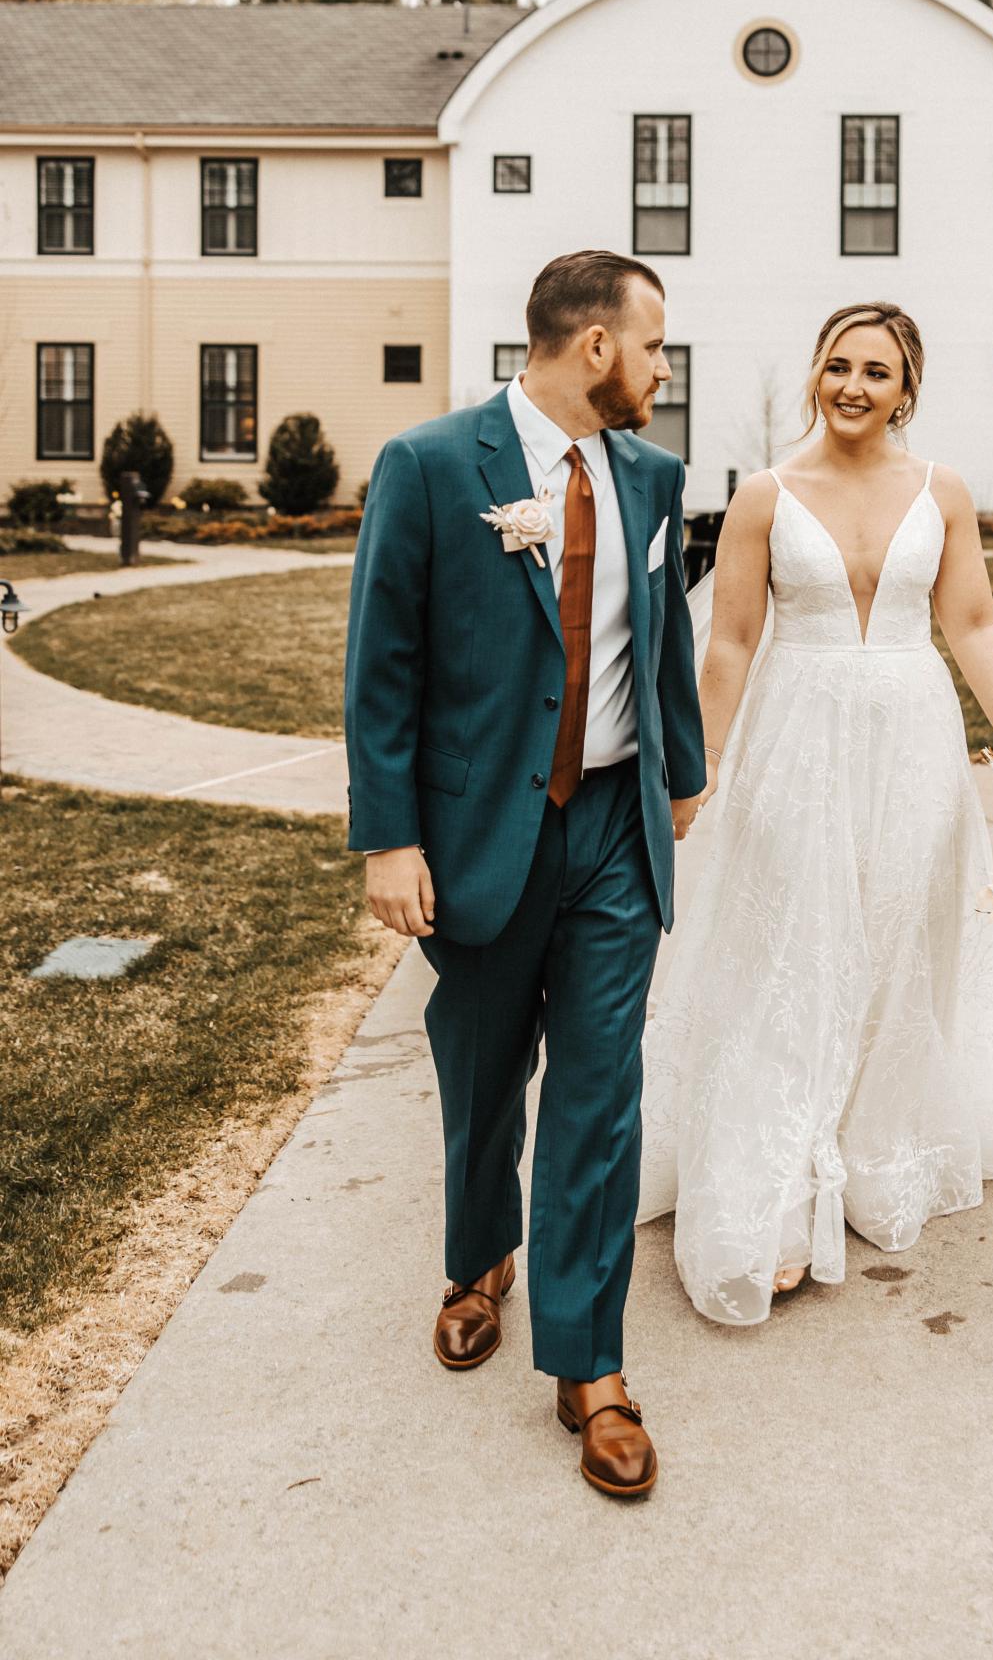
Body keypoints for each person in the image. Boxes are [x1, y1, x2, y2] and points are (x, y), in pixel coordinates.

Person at [344, 249, 706, 1498]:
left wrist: (684, 772)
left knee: (602, 1093)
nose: (665, 369)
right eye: (655, 346)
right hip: (484, 832)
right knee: (486, 1074)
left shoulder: (653, 478)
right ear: (595, 346)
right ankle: (477, 1260)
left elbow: (662, 642)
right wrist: (390, 838)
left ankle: (590, 1366)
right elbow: (383, 662)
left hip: (614, 828)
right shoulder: (434, 466)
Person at [638, 301, 993, 1324]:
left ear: (907, 388)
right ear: (815, 377)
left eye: (877, 370)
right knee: (796, 949)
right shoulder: (764, 497)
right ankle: (779, 1183)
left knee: (894, 940)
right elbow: (731, 645)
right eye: (838, 365)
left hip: (913, 742)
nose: (853, 386)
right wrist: (698, 775)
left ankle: (874, 1150)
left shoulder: (941, 491)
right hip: (798, 745)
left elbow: (970, 620)